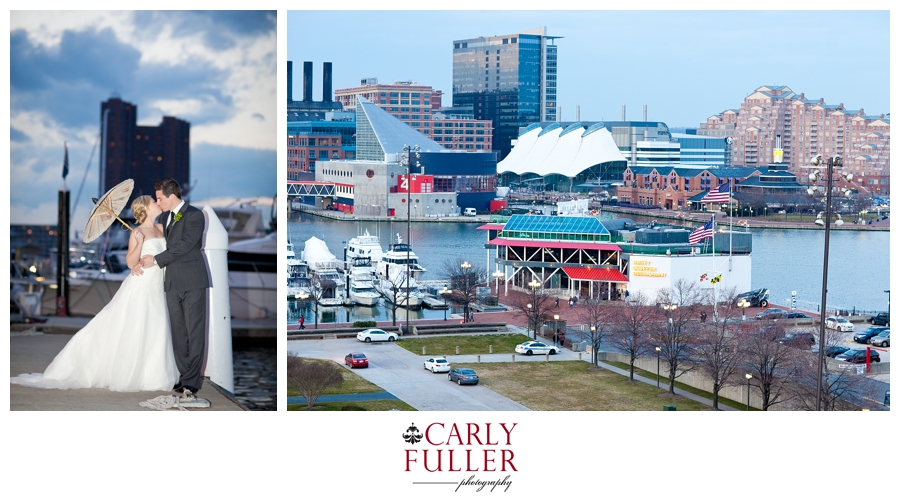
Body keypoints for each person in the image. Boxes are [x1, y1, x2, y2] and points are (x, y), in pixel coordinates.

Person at [11, 196, 179, 391]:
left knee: (156, 327)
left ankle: (154, 375)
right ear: (145, 208)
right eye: (153, 201)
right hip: (141, 285)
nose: (157, 203)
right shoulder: (137, 232)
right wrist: (140, 243)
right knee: (136, 327)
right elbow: (131, 264)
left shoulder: (161, 228)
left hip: (158, 286)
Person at [139, 179, 212, 396]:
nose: (158, 202)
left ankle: (192, 381)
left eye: (160, 198)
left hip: (192, 281)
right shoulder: (164, 217)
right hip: (171, 282)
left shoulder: (195, 215)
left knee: (195, 332)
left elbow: (186, 245)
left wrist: (156, 259)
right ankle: (183, 377)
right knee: (179, 334)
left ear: (172, 196)